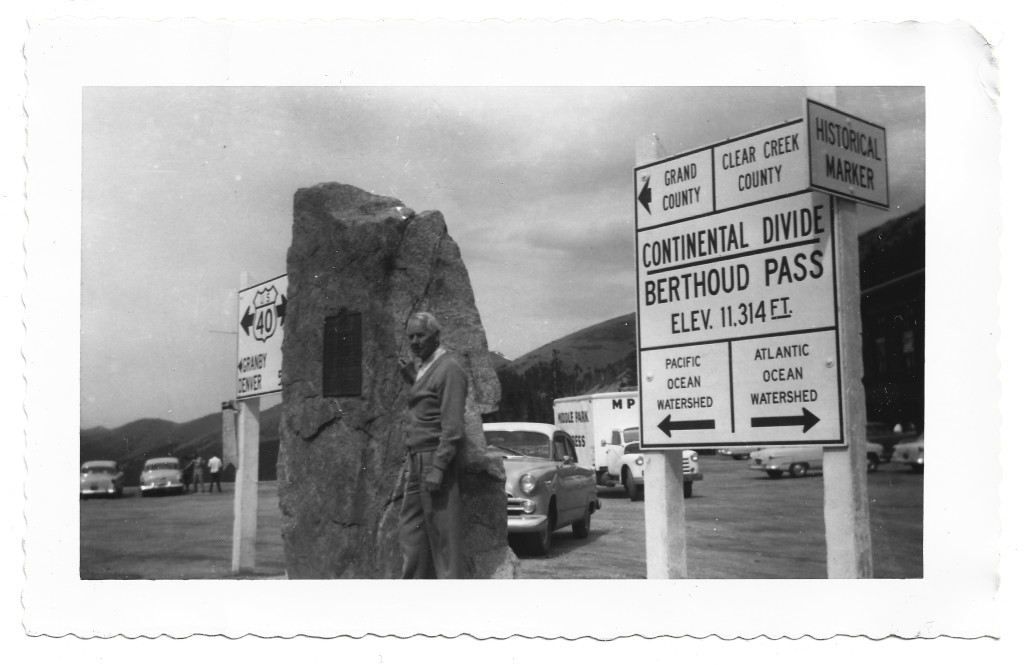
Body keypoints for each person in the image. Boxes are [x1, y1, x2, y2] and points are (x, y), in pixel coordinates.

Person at [395, 312, 467, 579]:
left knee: (444, 536)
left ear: (436, 336)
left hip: (434, 459)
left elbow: (452, 426)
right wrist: (413, 378)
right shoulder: (425, 366)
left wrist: (438, 467)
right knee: (411, 530)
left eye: (420, 336)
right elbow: (429, 401)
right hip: (416, 460)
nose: (414, 342)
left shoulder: (450, 368)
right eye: (410, 336)